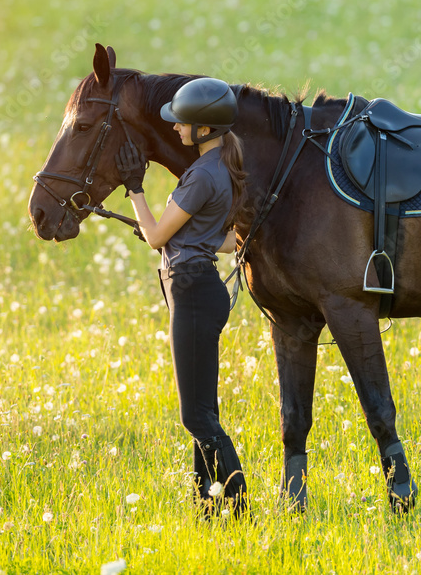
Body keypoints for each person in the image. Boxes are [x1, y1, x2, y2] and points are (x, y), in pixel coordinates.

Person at [114, 77, 248, 517]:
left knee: (196, 416)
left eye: (182, 123)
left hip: (191, 290)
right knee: (202, 410)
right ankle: (210, 509)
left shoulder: (201, 175)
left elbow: (154, 236)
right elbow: (225, 241)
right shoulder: (218, 168)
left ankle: (237, 505)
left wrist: (134, 188)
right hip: (197, 286)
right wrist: (180, 239)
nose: (174, 128)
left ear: (204, 130)